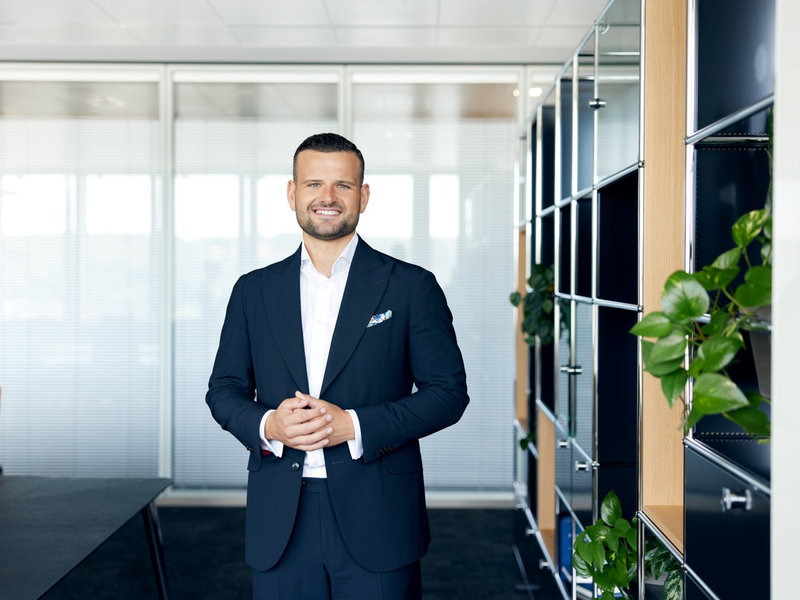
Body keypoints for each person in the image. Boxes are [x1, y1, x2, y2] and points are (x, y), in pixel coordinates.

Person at [206, 132, 469, 600]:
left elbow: (447, 393)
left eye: (342, 186)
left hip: (380, 512)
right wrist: (270, 424)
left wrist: (356, 425)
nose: (327, 198)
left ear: (362, 196)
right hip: (280, 517)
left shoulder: (410, 286)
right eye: (313, 184)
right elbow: (223, 390)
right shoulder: (252, 290)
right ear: (292, 193)